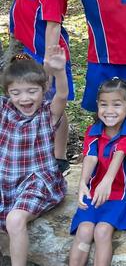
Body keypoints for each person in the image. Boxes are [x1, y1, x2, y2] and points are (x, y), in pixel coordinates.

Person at [14, 0, 75, 172]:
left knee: (54, 107)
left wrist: (49, 66)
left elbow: (52, 26)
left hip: (48, 55)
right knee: (47, 105)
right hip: (32, 52)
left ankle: (59, 157)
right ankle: (47, 152)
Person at [0, 47, 68, 266]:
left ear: (43, 89)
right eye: (16, 92)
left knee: (15, 219)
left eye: (31, 91)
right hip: (5, 182)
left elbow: (63, 95)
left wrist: (59, 72)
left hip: (36, 181)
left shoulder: (47, 114)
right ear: (8, 94)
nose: (24, 98)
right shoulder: (5, 110)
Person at [69, 78, 126, 266]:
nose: (109, 111)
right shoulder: (93, 131)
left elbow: (120, 154)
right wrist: (83, 184)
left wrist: (107, 181)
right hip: (96, 193)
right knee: (84, 230)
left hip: (122, 195)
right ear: (97, 106)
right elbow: (90, 157)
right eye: (104, 104)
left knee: (102, 231)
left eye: (117, 105)